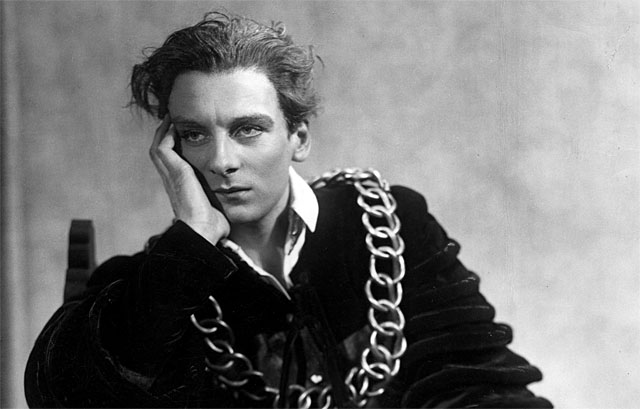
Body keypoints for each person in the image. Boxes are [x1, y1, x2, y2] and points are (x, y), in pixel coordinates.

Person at [24, 12, 552, 408]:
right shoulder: (156, 286)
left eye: (247, 129)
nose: (221, 161)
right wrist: (190, 246)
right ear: (171, 151)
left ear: (298, 137)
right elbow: (60, 394)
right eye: (194, 134)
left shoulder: (387, 224)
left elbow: (477, 380)